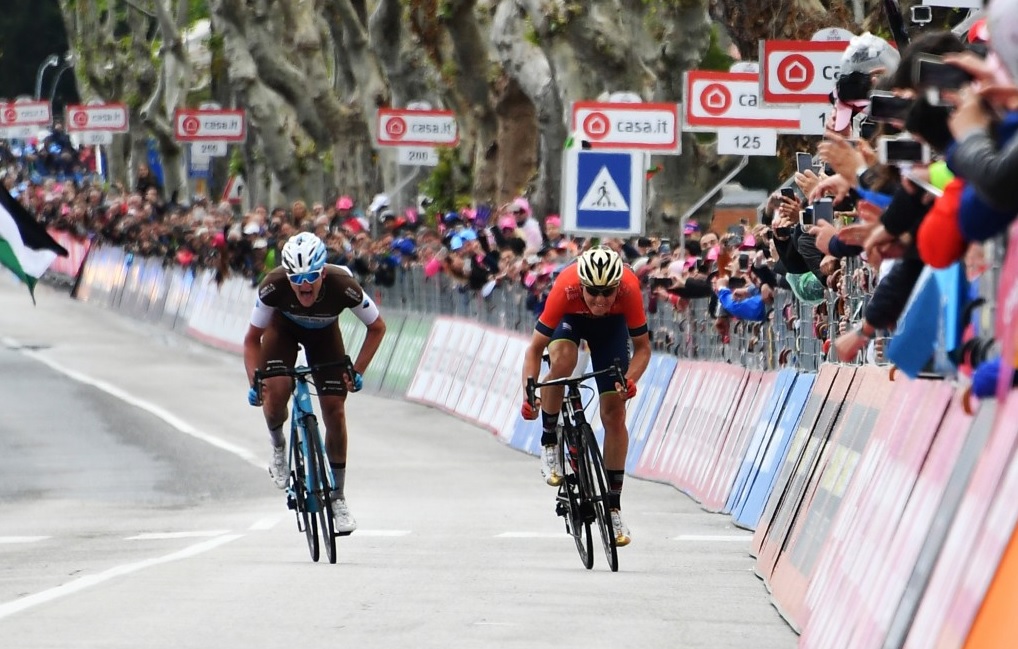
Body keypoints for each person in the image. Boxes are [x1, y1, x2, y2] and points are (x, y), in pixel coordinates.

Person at [243, 232, 386, 533]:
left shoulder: (342, 284)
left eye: (310, 277)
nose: (303, 285)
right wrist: (255, 382)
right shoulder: (273, 285)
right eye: (296, 278)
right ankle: (279, 445)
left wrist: (357, 370)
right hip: (283, 332)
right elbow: (252, 340)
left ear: (322, 272)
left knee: (334, 410)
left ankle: (338, 497)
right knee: (277, 389)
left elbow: (377, 327)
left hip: (324, 335)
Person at [520, 245, 650, 547]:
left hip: (611, 332)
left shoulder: (629, 290)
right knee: (563, 362)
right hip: (570, 321)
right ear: (582, 285)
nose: (601, 301)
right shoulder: (566, 286)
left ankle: (614, 506)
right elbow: (534, 350)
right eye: (593, 292)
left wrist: (630, 381)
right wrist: (529, 391)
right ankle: (550, 440)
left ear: (618, 286)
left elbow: (643, 349)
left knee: (615, 414)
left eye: (608, 293)